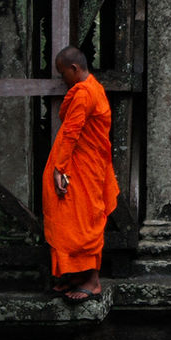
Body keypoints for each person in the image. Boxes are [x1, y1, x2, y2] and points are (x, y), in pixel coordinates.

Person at [42, 46, 119, 303]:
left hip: (82, 168)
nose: (62, 79)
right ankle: (75, 275)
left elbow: (71, 132)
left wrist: (60, 169)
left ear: (74, 69)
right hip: (85, 165)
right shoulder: (93, 88)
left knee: (84, 221)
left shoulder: (85, 94)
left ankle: (93, 281)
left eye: (62, 74)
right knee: (73, 219)